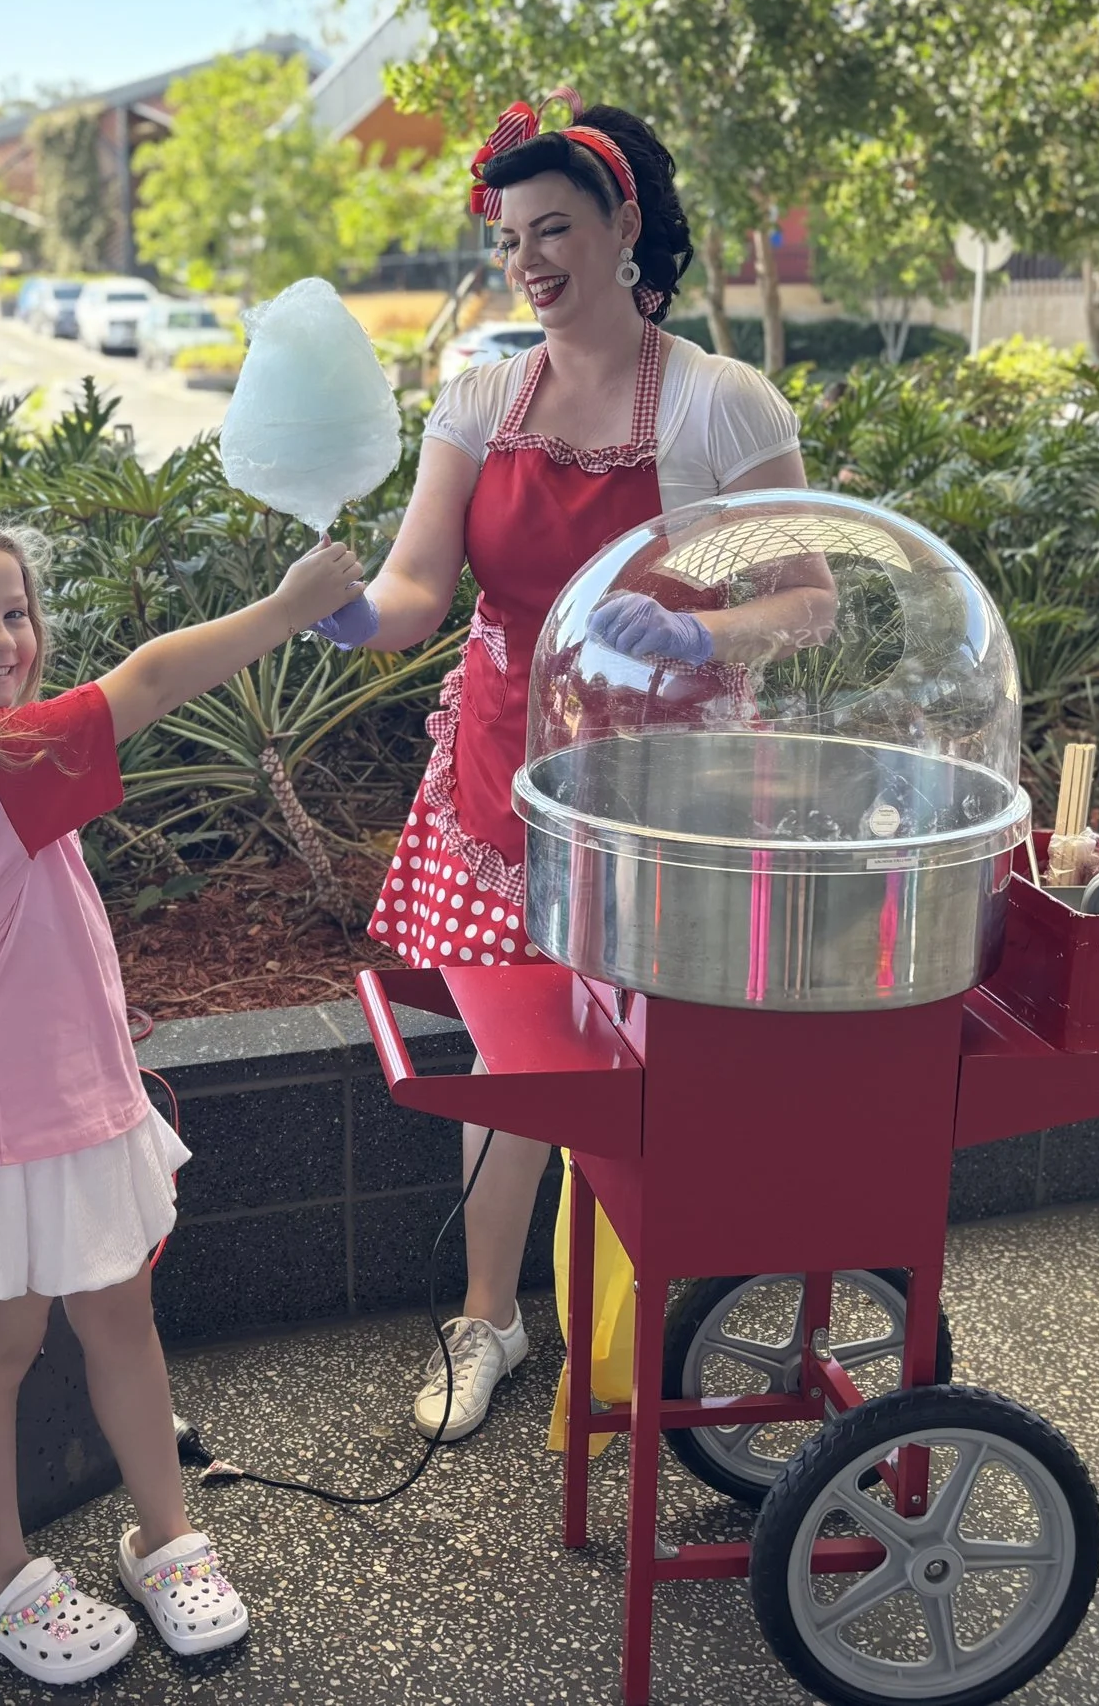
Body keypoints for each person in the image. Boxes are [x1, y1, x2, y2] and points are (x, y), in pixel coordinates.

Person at [308, 95, 829, 1444]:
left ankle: (660, 1314)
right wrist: (355, 610)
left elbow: (810, 596)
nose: (527, 261)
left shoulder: (723, 402)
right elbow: (422, 583)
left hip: (672, 788)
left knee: (665, 1055)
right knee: (516, 1059)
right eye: (508, 238)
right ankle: (491, 1315)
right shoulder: (482, 394)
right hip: (501, 768)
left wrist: (701, 623)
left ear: (625, 226)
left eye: (553, 230)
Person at [0, 494, 364, 1684]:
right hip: (3, 1126)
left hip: (64, 1105)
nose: (2, 638)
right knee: (0, 1354)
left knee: (111, 1325)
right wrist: (292, 606)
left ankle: (166, 1540)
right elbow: (155, 676)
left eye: (13, 613)